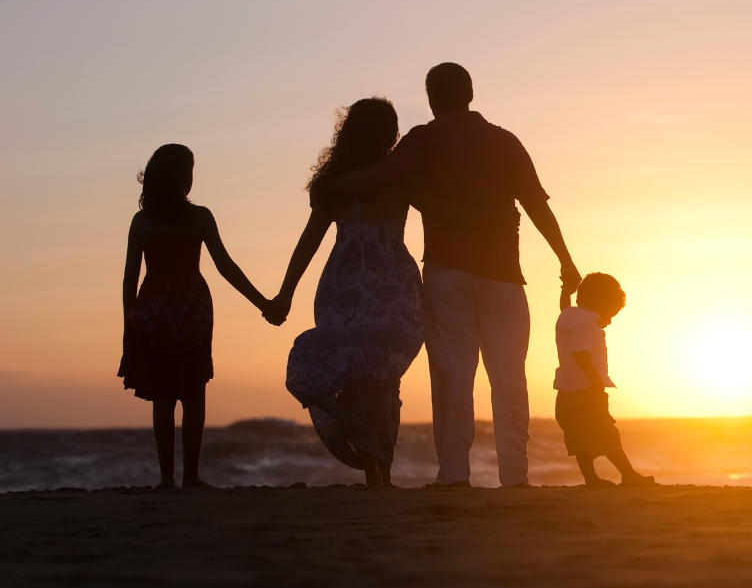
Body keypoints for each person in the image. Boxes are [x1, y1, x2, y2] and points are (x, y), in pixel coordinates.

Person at [327, 64, 581, 488]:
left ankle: (454, 475)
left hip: (449, 274)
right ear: (471, 93)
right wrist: (566, 262)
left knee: (452, 374)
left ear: (431, 97)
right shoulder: (505, 141)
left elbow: (381, 176)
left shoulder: (424, 139)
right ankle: (515, 477)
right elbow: (538, 206)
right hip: (504, 276)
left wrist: (329, 187)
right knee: (508, 375)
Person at [263, 97, 516, 488]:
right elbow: (444, 212)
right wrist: (495, 216)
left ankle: (374, 469)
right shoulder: (400, 179)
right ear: (390, 134)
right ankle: (378, 469)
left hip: (342, 287)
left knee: (356, 370)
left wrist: (285, 293)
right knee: (383, 375)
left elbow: (308, 243)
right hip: (392, 286)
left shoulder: (334, 186)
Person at [119, 144, 271, 489]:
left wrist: (129, 323)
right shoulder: (199, 217)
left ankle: (166, 479)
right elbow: (226, 267)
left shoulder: (143, 222)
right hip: (191, 309)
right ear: (179, 176)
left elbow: (130, 278)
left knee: (162, 397)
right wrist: (263, 302)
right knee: (193, 392)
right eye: (188, 171)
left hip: (155, 309)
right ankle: (191, 477)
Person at [554, 273, 655, 488]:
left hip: (564, 394)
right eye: (610, 313)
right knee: (607, 433)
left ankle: (591, 479)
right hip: (586, 392)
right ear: (599, 300)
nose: (608, 322)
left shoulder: (569, 316)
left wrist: (565, 292)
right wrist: (596, 381)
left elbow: (565, 308)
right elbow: (580, 353)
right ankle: (628, 475)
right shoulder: (589, 325)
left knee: (578, 439)